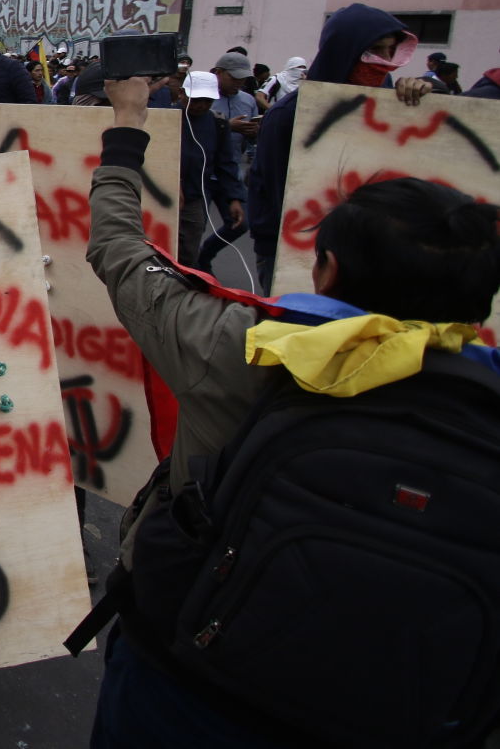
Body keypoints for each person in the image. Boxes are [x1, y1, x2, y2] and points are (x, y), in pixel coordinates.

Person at [82, 73, 500, 748]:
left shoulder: (245, 352)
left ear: (326, 272)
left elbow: (119, 250)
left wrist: (127, 120)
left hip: (184, 685)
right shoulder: (484, 400)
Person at [248, 4, 432, 292]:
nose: (384, 61)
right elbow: (278, 194)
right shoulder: (288, 115)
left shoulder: (387, 107)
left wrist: (414, 104)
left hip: (367, 251)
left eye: (390, 51)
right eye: (374, 49)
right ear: (344, 50)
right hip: (293, 252)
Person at [176, 70, 246, 270]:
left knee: (188, 251)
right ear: (182, 93)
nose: (201, 105)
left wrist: (234, 197)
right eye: (196, 99)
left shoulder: (218, 124)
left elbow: (226, 164)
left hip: (194, 198)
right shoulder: (164, 117)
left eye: (207, 101)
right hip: (162, 197)